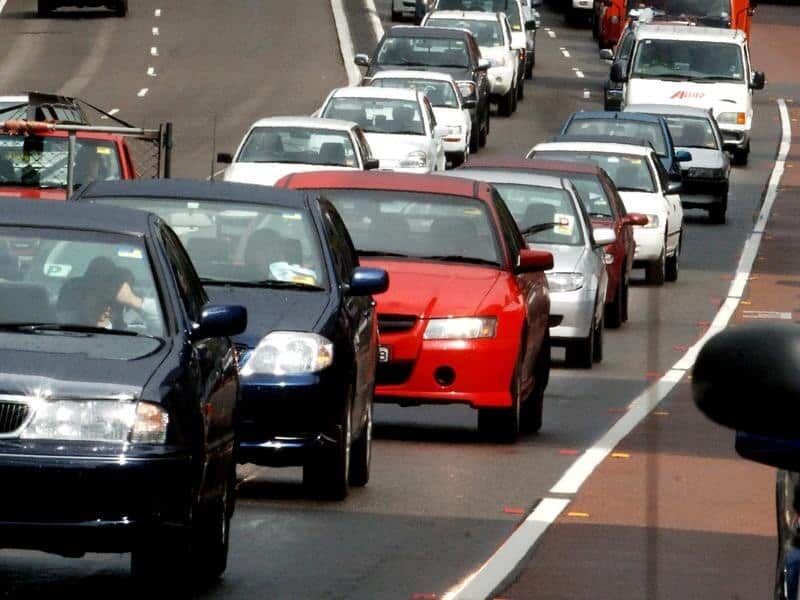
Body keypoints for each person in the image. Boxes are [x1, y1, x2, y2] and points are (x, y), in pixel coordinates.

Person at [78, 256, 160, 332]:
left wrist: (133, 300)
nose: (105, 306)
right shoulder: (70, 322)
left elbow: (163, 323)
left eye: (113, 302)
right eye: (98, 292)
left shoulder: (133, 331)